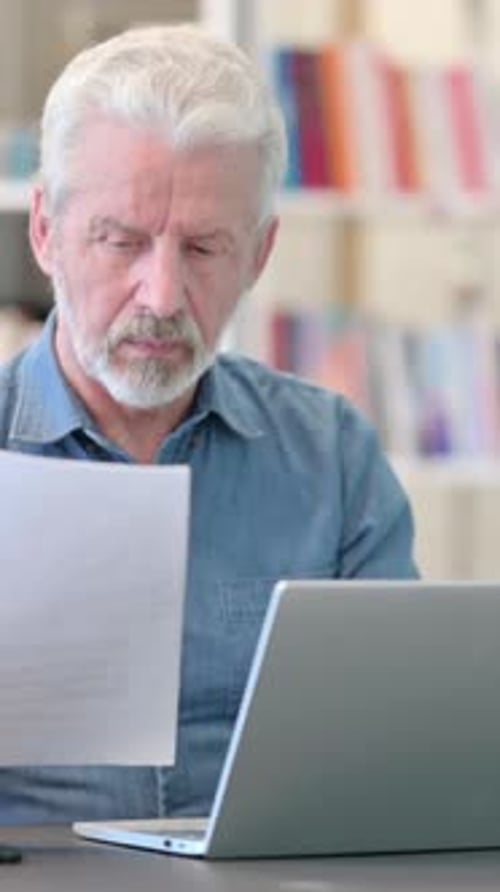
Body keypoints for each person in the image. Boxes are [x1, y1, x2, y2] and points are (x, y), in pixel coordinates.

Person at [0, 23, 418, 825]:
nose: (160, 296)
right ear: (46, 230)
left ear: (259, 255)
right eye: (122, 241)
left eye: (202, 249)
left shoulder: (330, 457)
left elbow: (396, 755)